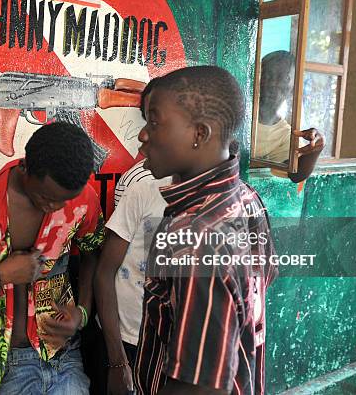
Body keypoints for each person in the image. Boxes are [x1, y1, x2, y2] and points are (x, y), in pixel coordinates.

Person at [134, 67, 278, 395]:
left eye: (154, 121)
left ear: (200, 133)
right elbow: (262, 281)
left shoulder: (197, 239)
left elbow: (198, 386)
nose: (144, 134)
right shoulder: (247, 198)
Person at [0, 121, 105, 394]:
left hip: (64, 353)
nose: (55, 207)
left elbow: (92, 252)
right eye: (46, 197)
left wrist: (82, 313)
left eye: (64, 200)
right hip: (7, 363)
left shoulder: (83, 197)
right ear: (25, 167)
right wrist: (2, 273)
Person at [94, 81, 171, 395]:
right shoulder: (140, 184)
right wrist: (117, 361)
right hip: (129, 336)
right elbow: (107, 267)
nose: (143, 136)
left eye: (156, 122)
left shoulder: (236, 202)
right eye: (147, 120)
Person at [256, 50, 325, 183]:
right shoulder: (238, 114)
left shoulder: (285, 134)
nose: (272, 84)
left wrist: (316, 148)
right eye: (267, 75)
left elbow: (295, 174)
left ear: (293, 88)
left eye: (283, 78)